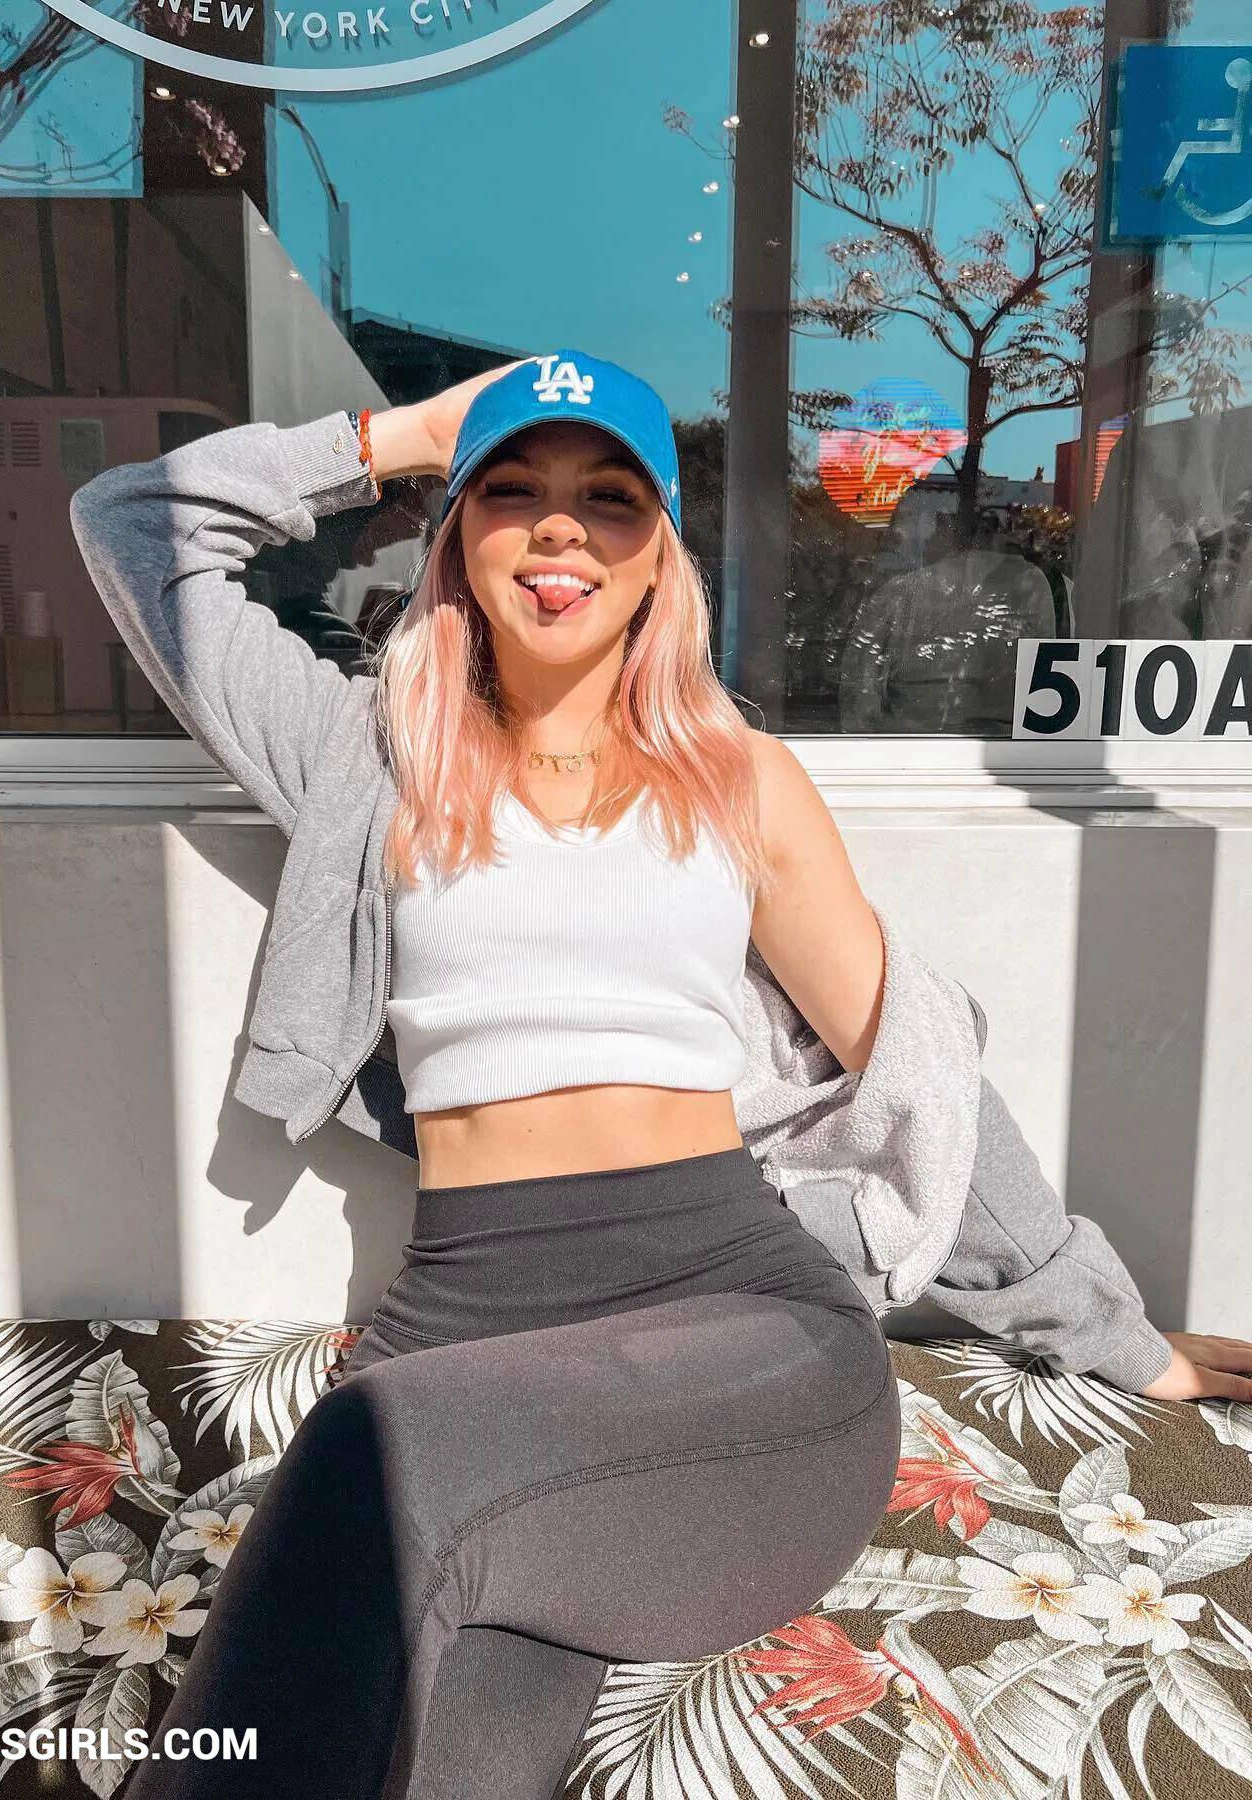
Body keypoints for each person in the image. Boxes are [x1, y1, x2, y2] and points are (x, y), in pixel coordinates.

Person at [70, 350, 1252, 1800]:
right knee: (428, 1741)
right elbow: (133, 523)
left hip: (743, 1343)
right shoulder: (365, 758)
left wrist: (1121, 1338)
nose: (561, 529)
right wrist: (410, 434)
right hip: (465, 1337)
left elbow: (920, 1071)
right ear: (457, 534)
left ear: (659, 559)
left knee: (362, 1459)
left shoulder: (736, 778)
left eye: (611, 499)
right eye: (514, 492)